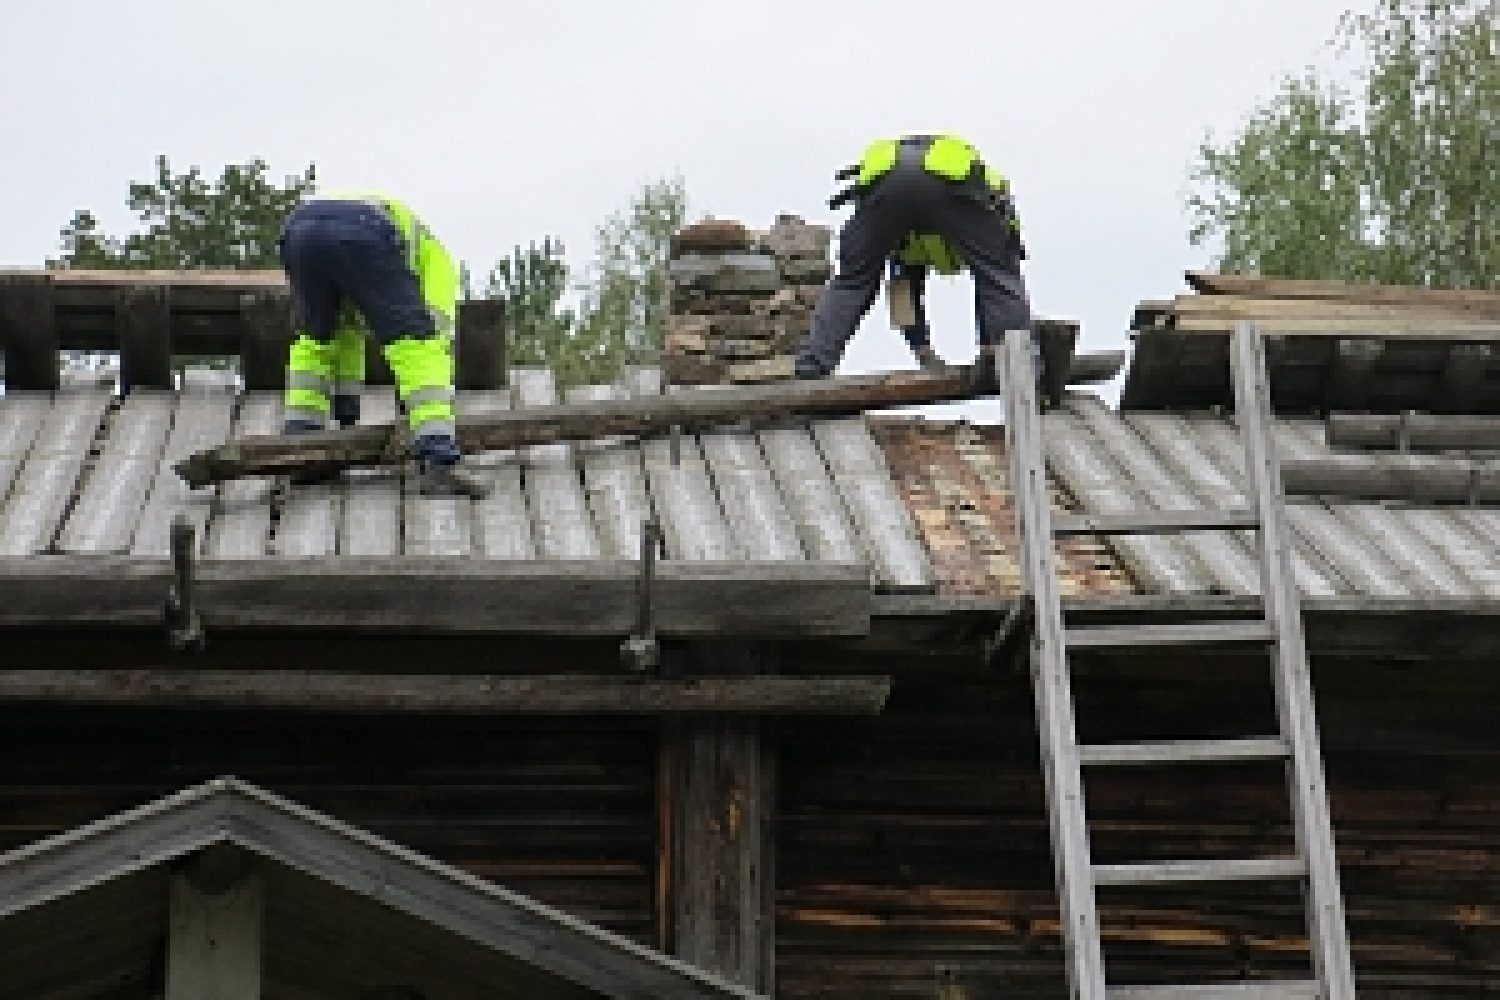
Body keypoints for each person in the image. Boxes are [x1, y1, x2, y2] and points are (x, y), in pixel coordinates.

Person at [278, 191, 487, 496]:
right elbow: (431, 343)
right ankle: (439, 459)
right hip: (363, 230)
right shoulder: (440, 264)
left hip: (299, 231)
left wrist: (347, 418)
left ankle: (300, 452)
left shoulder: (388, 251)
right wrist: (417, 413)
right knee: (419, 341)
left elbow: (346, 339)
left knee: (316, 339)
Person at [795, 134, 1033, 378]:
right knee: (999, 275)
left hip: (885, 184)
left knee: (852, 281)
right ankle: (1012, 365)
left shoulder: (905, 231)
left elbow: (903, 289)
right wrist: (989, 349)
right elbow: (998, 281)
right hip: (951, 182)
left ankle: (812, 367)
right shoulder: (986, 205)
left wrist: (922, 350)